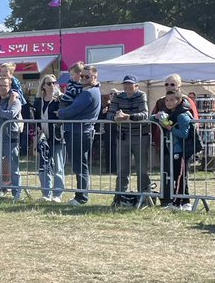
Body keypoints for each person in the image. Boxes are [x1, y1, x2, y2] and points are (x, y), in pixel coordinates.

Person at [58, 65, 101, 205]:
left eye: (87, 76)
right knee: (79, 164)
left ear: (94, 77)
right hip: (79, 131)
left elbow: (71, 110)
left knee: (80, 165)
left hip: (80, 132)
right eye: (82, 76)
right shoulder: (87, 91)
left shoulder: (88, 93)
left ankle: (82, 197)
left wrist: (60, 113)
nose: (83, 78)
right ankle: (80, 195)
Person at [151, 90, 198, 209]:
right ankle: (176, 202)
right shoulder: (168, 113)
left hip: (182, 150)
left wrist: (170, 128)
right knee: (175, 175)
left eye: (172, 100)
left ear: (179, 101)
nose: (168, 102)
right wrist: (156, 116)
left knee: (180, 177)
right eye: (167, 100)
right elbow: (152, 119)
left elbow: (184, 134)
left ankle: (180, 202)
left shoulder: (182, 115)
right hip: (173, 149)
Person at [108, 74, 150, 206]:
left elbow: (144, 114)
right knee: (122, 170)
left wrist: (128, 117)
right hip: (123, 136)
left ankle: (144, 198)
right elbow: (109, 114)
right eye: (125, 84)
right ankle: (120, 198)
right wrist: (116, 118)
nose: (127, 86)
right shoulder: (117, 97)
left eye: (130, 84)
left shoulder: (141, 95)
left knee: (142, 169)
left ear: (136, 86)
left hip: (141, 136)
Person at [0, 77, 23, 200]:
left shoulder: (15, 100)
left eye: (5, 85)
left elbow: (11, 114)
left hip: (10, 137)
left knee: (14, 166)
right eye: (0, 86)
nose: (2, 88)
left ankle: (17, 192)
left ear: (9, 87)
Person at [33, 75, 65, 201]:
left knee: (58, 166)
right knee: (44, 166)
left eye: (54, 83)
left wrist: (61, 99)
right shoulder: (39, 100)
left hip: (57, 136)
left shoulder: (60, 99)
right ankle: (46, 193)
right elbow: (36, 117)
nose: (52, 85)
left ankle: (57, 194)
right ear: (43, 86)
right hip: (43, 136)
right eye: (49, 83)